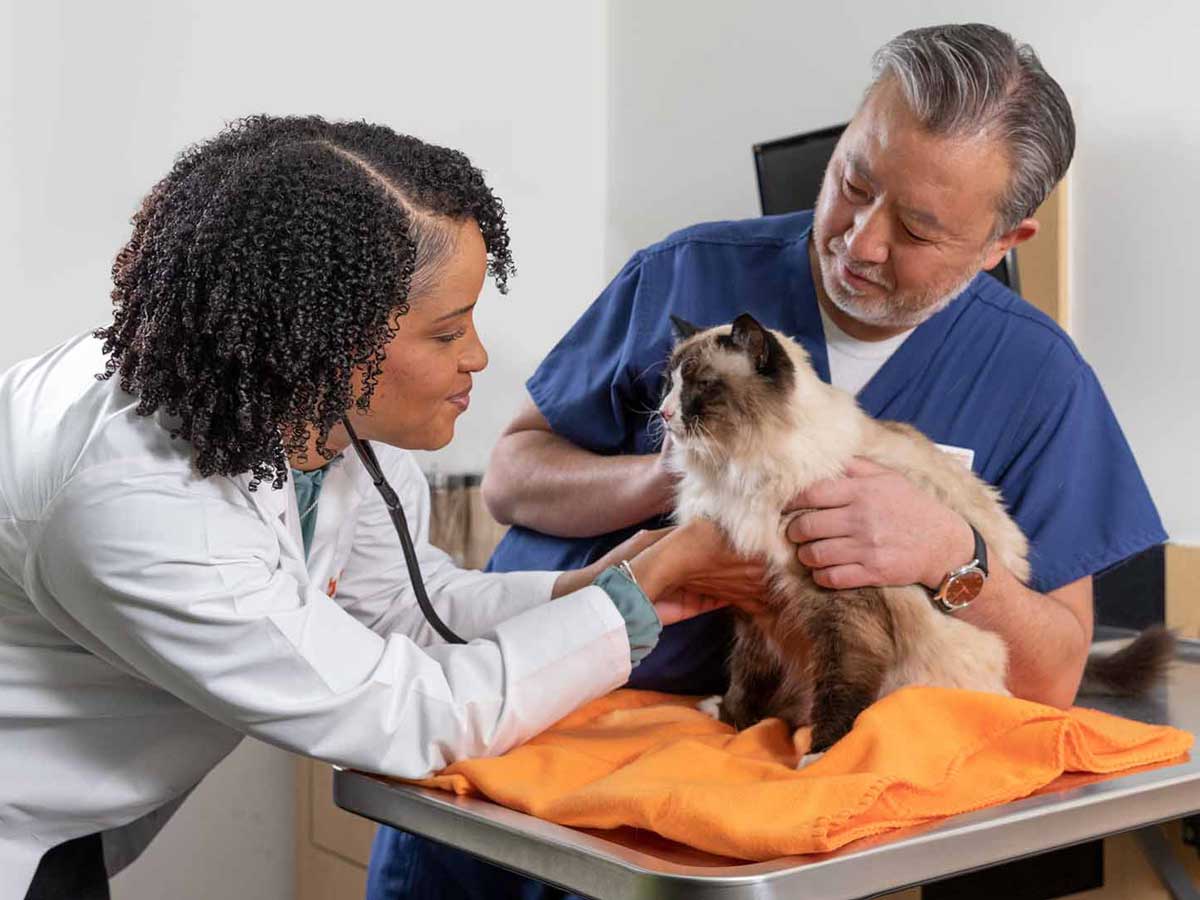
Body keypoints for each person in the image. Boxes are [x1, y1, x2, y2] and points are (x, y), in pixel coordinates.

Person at [370, 22, 1167, 900]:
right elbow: (512, 478)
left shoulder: (1036, 377)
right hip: (513, 736)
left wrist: (950, 555)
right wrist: (687, 482)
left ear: (1001, 242)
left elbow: (1053, 675)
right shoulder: (688, 273)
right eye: (852, 182)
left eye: (916, 228)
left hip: (721, 808)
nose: (860, 241)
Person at [0, 115, 768, 900]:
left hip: (71, 819)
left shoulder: (323, 425)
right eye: (447, 332)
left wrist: (591, 586)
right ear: (326, 339)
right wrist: (634, 598)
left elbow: (402, 610)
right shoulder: (138, 506)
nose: (477, 356)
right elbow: (411, 717)